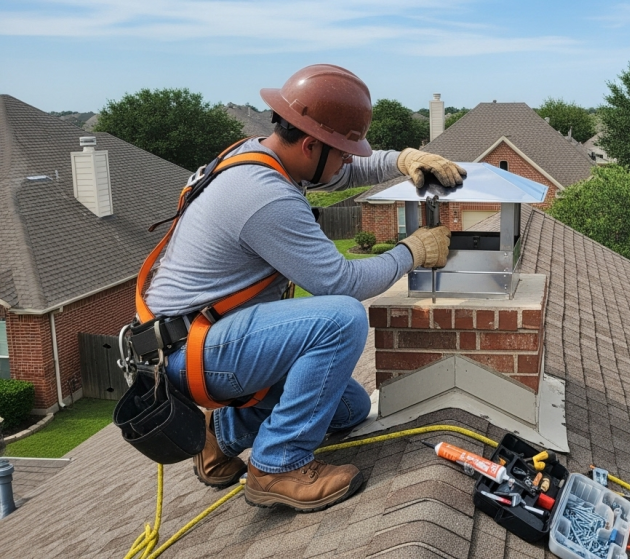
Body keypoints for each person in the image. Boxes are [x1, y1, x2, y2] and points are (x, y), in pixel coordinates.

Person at [144, 64, 464, 512]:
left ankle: (221, 435)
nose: (350, 161)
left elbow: (345, 173)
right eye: (343, 150)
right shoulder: (263, 194)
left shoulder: (268, 155)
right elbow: (341, 282)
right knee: (340, 319)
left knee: (348, 411)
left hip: (210, 335)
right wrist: (413, 251)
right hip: (194, 349)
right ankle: (278, 464)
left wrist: (401, 160)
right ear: (311, 144)